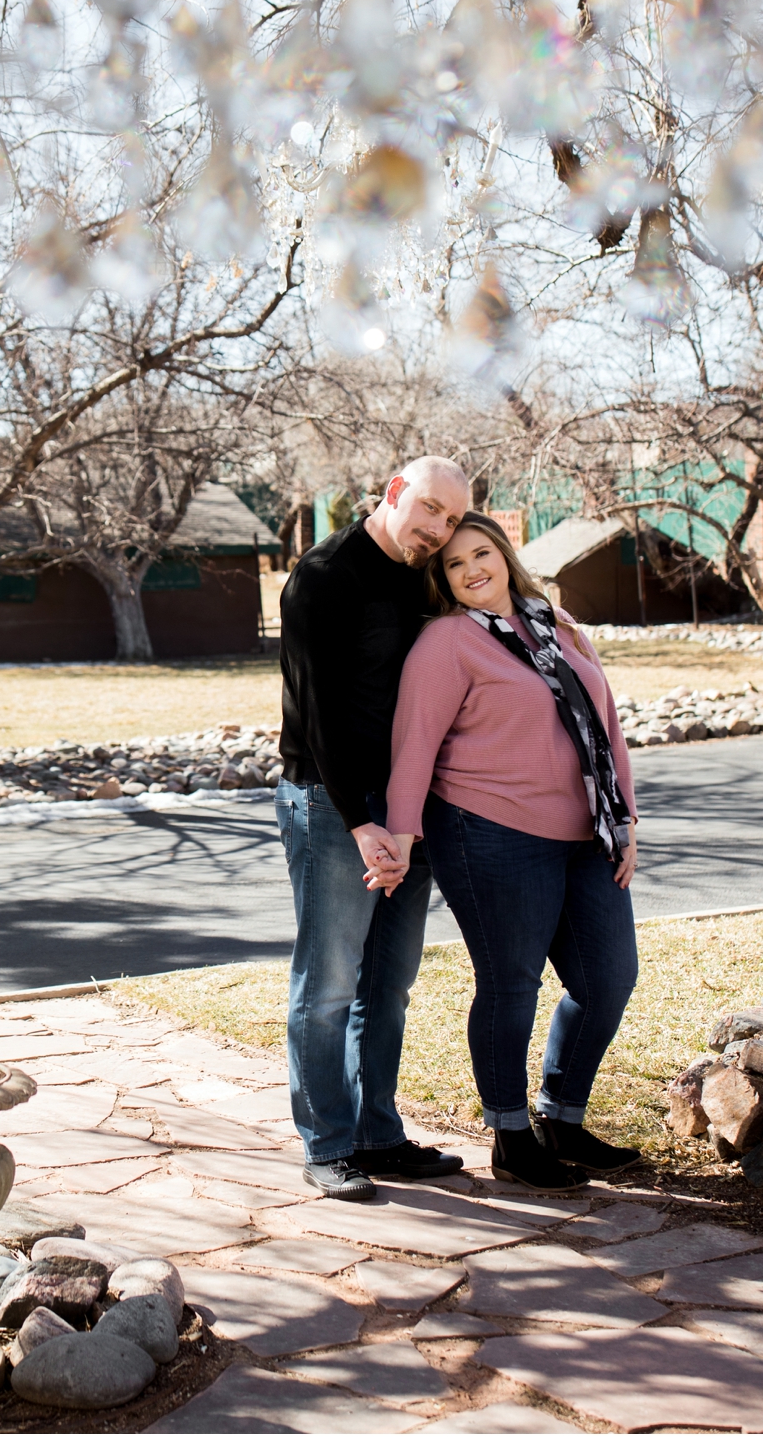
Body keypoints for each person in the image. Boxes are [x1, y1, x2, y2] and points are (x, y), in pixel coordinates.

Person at [376, 511, 642, 1191]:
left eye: (481, 553)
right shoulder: (447, 641)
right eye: (454, 564)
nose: (472, 570)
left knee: (607, 977)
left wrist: (627, 819)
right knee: (511, 983)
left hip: (588, 835)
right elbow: (414, 744)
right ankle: (511, 1133)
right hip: (489, 832)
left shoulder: (555, 621)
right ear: (441, 579)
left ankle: (564, 1117)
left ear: (504, 554)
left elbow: (606, 723)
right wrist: (401, 836)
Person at [275, 456, 473, 1201]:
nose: (438, 529)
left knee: (387, 984)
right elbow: (315, 712)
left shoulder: (423, 577)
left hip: (405, 810)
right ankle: (326, 1145)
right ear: (394, 493)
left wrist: (404, 819)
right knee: (326, 984)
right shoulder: (324, 575)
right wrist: (362, 823)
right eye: (429, 509)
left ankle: (377, 1135)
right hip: (332, 808)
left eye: (451, 520)